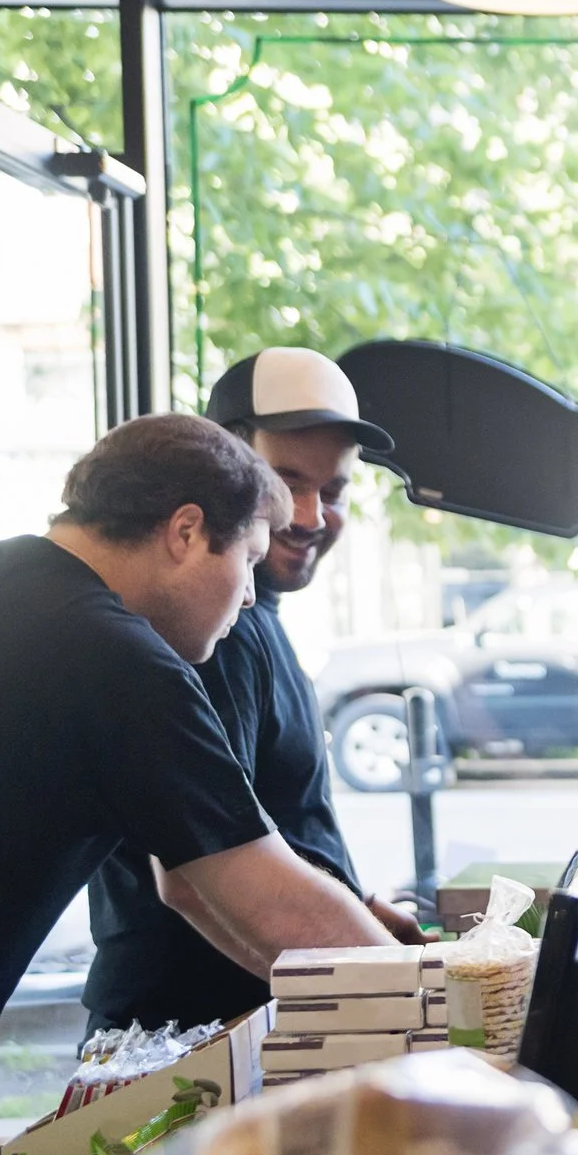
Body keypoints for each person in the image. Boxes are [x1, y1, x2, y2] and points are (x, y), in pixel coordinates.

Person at [0, 413, 400, 1155]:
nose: (250, 598)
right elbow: (265, 895)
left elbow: (201, 886)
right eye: (247, 561)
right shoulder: (121, 662)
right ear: (185, 532)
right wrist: (441, 1021)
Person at [86, 347, 417, 1035]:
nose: (308, 513)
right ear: (226, 466)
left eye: (334, 491)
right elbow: (191, 874)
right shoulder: (213, 626)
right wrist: (406, 1009)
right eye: (285, 479)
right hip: (191, 1039)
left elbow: (268, 824)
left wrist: (353, 910)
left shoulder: (255, 618)